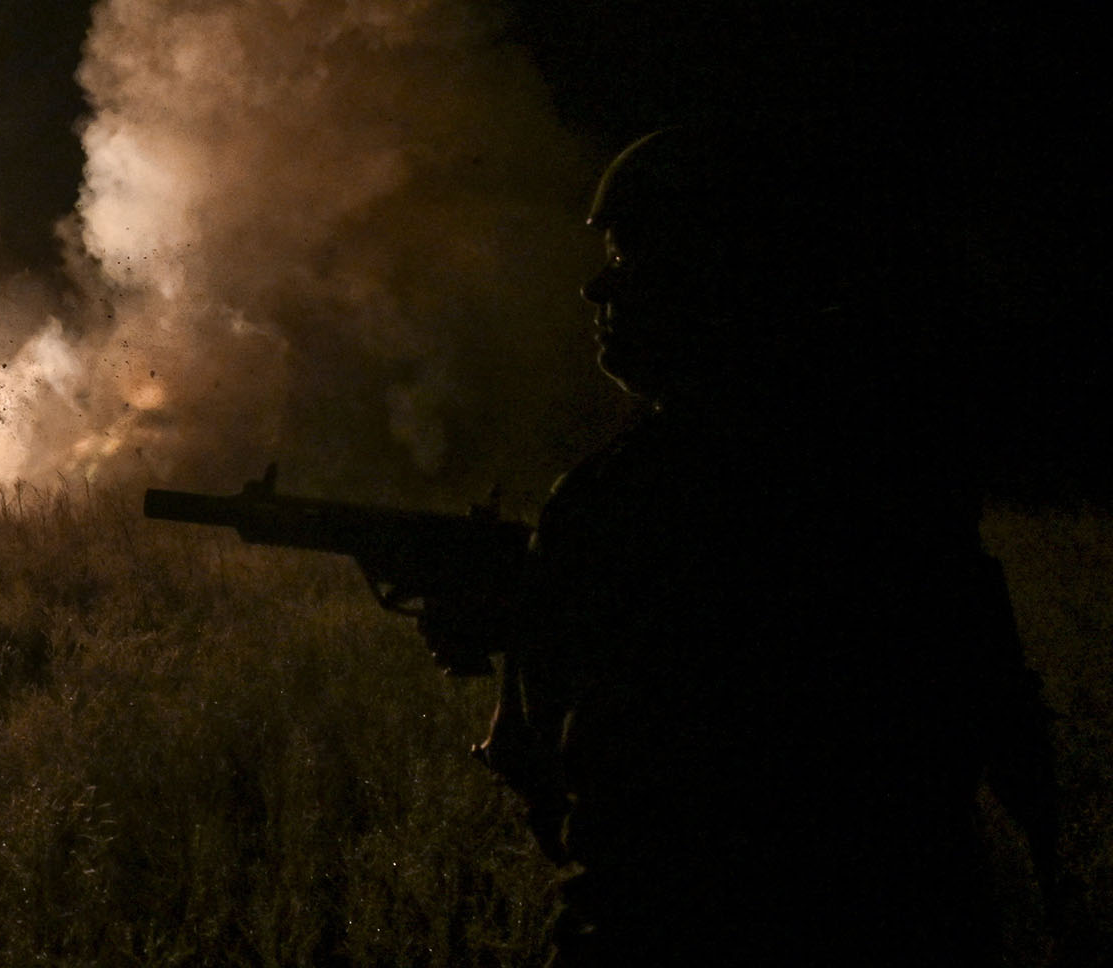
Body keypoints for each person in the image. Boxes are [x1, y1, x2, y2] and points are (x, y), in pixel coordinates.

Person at [422, 123, 1058, 966]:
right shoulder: (895, 467)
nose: (596, 287)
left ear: (717, 274)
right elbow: (992, 723)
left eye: (630, 255)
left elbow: (558, 780)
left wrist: (521, 629)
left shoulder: (620, 498)